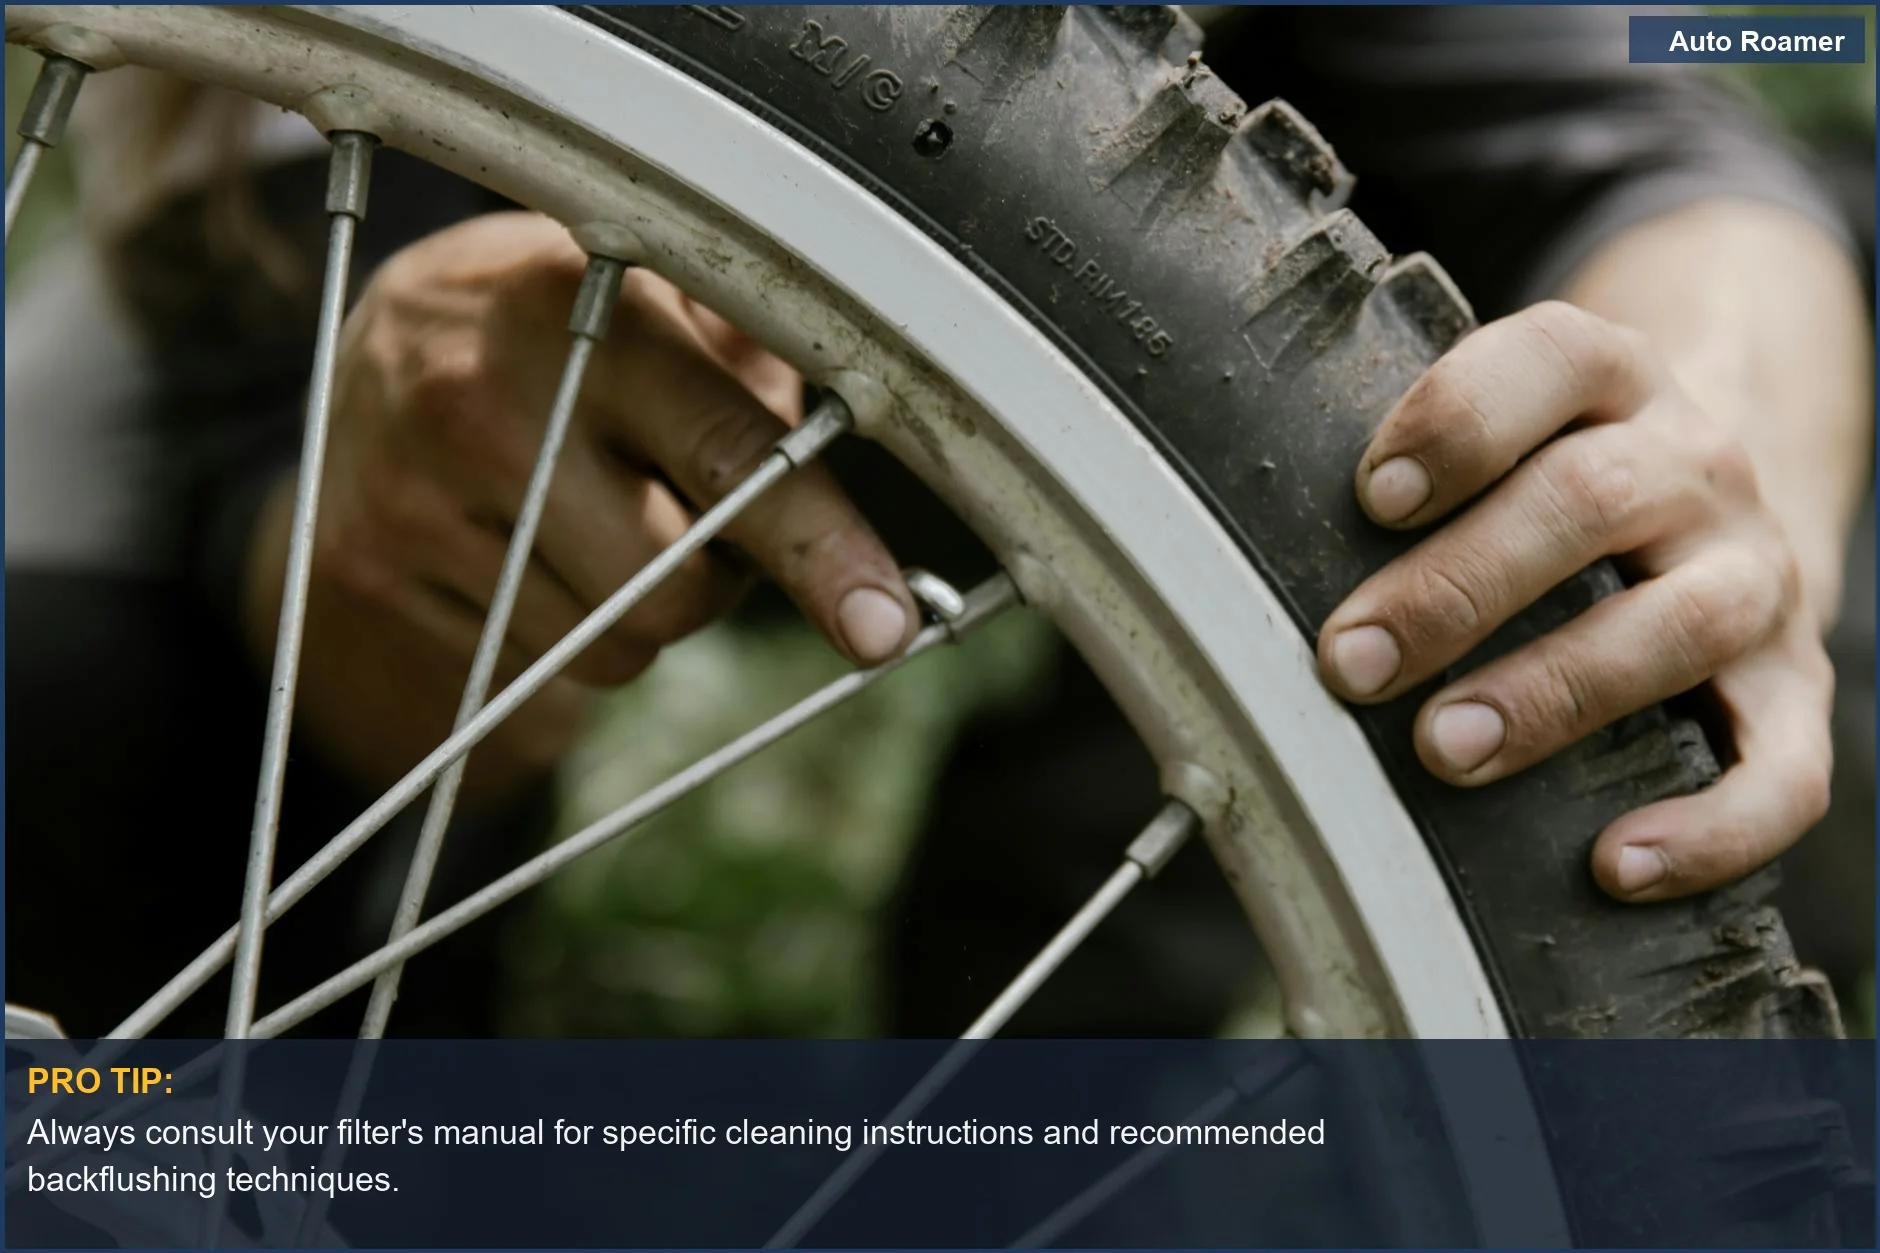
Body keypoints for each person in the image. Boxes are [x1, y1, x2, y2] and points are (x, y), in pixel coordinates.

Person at [5, 6, 1870, 1038]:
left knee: (1719, 538)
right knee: (87, 739)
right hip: (311, 325)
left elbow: (1665, 162)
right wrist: (432, 543)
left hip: (1127, 320)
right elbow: (353, 633)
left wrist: (1696, 485)